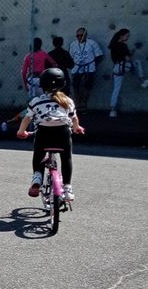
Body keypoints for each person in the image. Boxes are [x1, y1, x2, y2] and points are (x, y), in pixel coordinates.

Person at [16, 67, 85, 203]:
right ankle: (67, 188)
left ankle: (37, 177)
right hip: (62, 134)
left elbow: (27, 118)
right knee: (66, 158)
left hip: (44, 134)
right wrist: (77, 128)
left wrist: (21, 131)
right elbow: (74, 118)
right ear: (62, 84)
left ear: (42, 85)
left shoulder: (36, 101)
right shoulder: (68, 101)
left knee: (39, 154)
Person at [106, 28, 148, 117]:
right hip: (123, 66)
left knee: (116, 89)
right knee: (137, 62)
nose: (128, 37)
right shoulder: (122, 45)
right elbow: (127, 58)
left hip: (116, 68)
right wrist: (130, 53)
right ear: (122, 36)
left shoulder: (113, 45)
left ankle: (113, 110)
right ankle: (142, 81)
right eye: (127, 36)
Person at [68, 26, 103, 112]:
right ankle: (77, 105)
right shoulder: (73, 44)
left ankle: (84, 105)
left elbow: (99, 55)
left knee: (86, 88)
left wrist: (93, 64)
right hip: (76, 69)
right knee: (76, 87)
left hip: (89, 69)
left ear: (85, 35)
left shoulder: (92, 43)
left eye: (81, 35)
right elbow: (70, 56)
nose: (80, 37)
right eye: (78, 35)